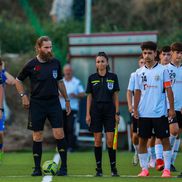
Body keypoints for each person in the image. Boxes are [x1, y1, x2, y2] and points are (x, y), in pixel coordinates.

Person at [15, 36, 71, 176]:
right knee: (37, 135)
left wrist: (67, 99)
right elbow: (18, 80)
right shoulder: (31, 64)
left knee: (59, 133)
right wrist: (24, 96)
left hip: (53, 103)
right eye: (46, 47)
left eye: (50, 47)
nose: (49, 50)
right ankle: (36, 168)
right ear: (38, 48)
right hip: (37, 104)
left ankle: (63, 168)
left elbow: (60, 82)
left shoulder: (56, 63)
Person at [134, 41, 175, 177]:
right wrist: (135, 109)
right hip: (143, 113)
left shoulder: (163, 70)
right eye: (145, 53)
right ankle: (144, 169)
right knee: (142, 141)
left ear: (155, 54)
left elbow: (169, 90)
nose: (147, 56)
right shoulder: (139, 73)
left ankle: (167, 170)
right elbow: (137, 92)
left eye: (150, 53)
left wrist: (171, 108)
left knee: (164, 140)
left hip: (159, 113)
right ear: (142, 54)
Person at [86, 52, 120, 177]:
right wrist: (88, 114)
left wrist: (117, 112)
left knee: (110, 141)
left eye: (102, 61)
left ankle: (113, 169)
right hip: (95, 111)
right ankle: (99, 169)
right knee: (98, 140)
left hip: (109, 111)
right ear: (96, 64)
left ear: (107, 62)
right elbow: (89, 97)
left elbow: (116, 96)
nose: (100, 63)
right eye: (98, 61)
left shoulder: (113, 76)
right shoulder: (91, 78)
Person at [59, 64, 85, 152]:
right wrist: (60, 95)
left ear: (71, 71)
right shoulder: (60, 81)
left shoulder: (77, 82)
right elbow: (54, 93)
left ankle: (70, 147)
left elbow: (83, 94)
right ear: (63, 71)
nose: (68, 72)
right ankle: (63, 146)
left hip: (72, 108)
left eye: (69, 70)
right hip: (61, 108)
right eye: (66, 70)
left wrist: (76, 95)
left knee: (70, 127)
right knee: (62, 127)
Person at [165, 42, 182, 172]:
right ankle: (165, 160)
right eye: (177, 52)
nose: (179, 55)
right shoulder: (166, 69)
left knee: (178, 135)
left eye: (181, 53)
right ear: (172, 53)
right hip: (170, 108)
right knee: (174, 132)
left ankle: (171, 162)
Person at [127, 56, 145, 166]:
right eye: (141, 62)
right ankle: (136, 152)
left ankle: (149, 157)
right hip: (136, 109)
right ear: (139, 63)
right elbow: (129, 92)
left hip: (150, 110)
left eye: (144, 62)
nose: (143, 64)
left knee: (147, 135)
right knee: (135, 136)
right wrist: (130, 105)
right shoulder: (134, 75)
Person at [0, 58, 15, 162]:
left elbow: (13, 81)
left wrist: (3, 71)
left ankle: (1, 151)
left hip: (0, 106)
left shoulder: (2, 75)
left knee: (0, 133)